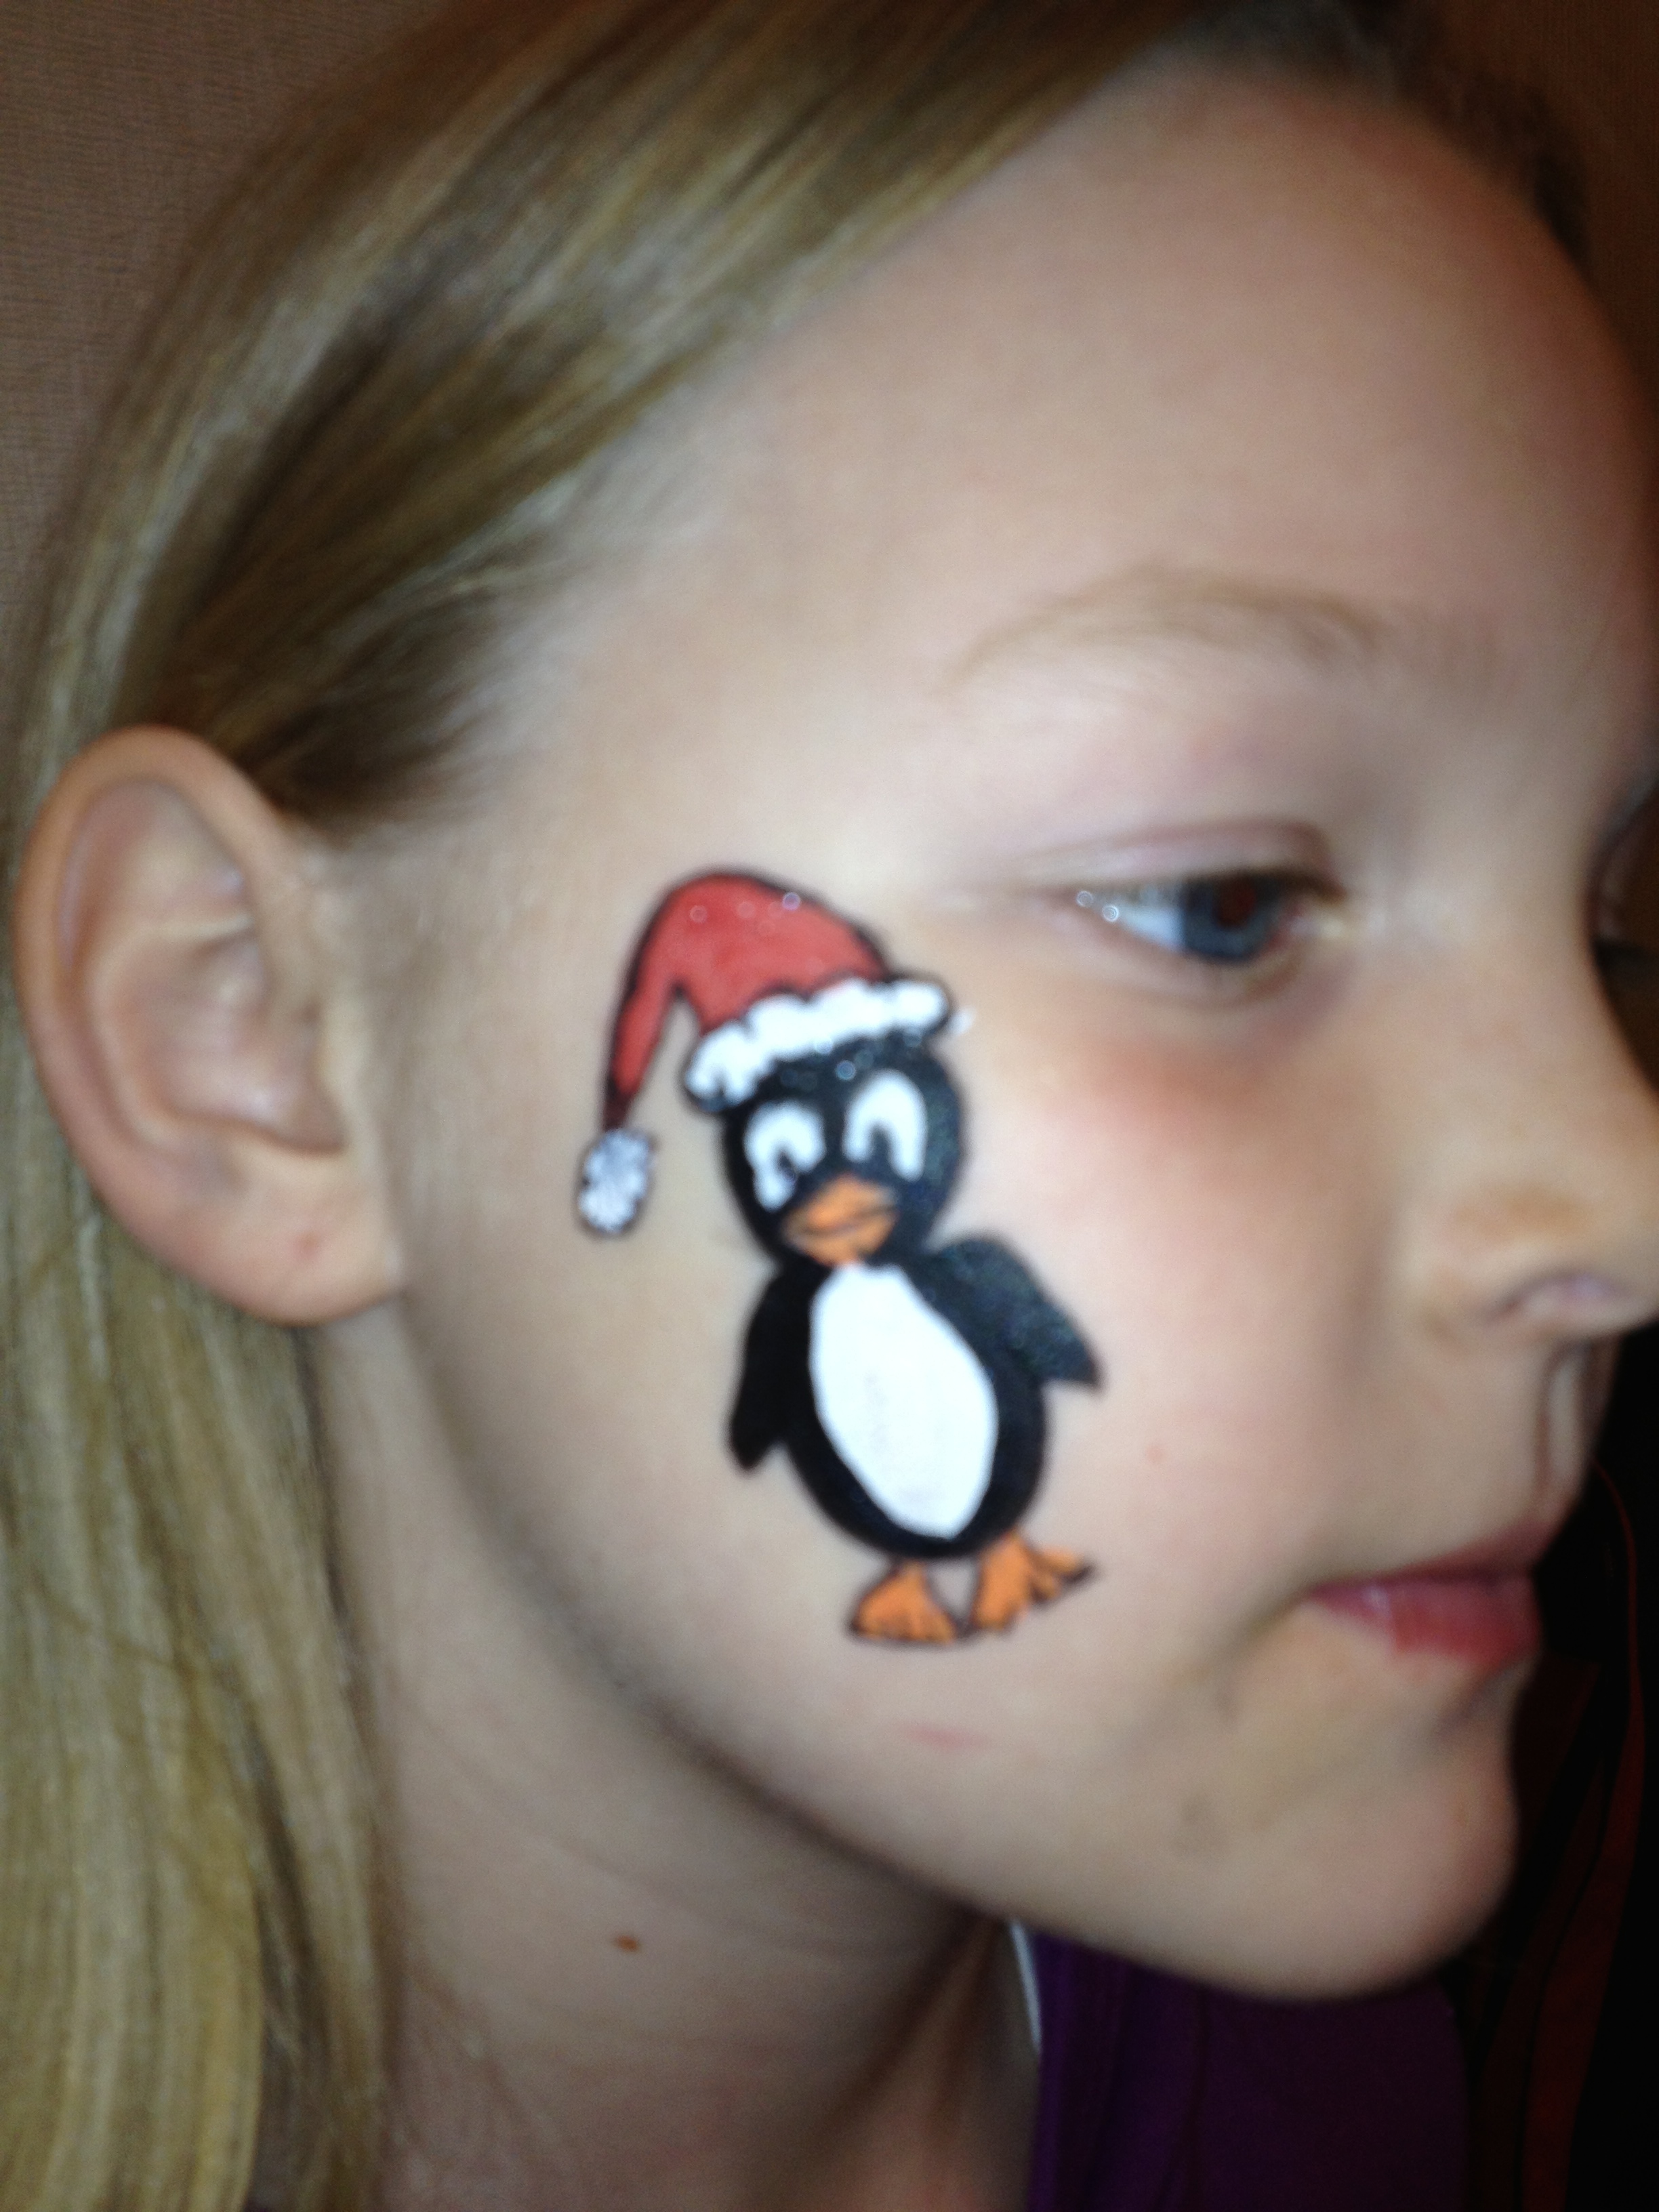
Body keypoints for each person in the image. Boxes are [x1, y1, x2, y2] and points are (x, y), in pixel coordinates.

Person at [4, 1, 1658, 2207]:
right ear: (257, 1045)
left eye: (1610, 930)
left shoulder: (1328, 2094)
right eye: (1224, 905)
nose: (1623, 1199)